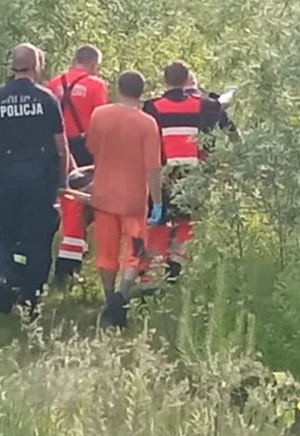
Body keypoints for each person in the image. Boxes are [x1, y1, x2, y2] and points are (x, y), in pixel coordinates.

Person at [0, 44, 73, 318]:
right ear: (36, 65)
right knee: (39, 235)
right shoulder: (47, 99)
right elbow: (61, 145)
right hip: (40, 179)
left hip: (8, 176)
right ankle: (30, 297)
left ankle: (5, 277)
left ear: (13, 66)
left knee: (7, 232)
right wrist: (66, 177)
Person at [84, 70, 164, 328]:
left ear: (118, 88)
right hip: (133, 199)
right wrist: (158, 201)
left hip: (104, 196)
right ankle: (123, 295)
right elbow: (153, 167)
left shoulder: (100, 115)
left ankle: (110, 301)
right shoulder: (147, 123)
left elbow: (92, 148)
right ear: (142, 92)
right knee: (135, 250)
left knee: (106, 253)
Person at [142, 61, 225, 283]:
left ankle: (153, 275)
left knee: (159, 222)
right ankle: (176, 264)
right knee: (187, 220)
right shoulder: (207, 105)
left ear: (164, 80)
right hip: (194, 174)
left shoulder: (152, 106)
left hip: (163, 174)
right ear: (188, 79)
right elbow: (218, 123)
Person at [45, 44, 109, 283]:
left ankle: (60, 257)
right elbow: (100, 121)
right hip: (84, 148)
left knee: (62, 201)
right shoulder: (96, 85)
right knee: (81, 205)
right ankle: (70, 265)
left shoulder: (52, 84)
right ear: (93, 63)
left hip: (55, 148)